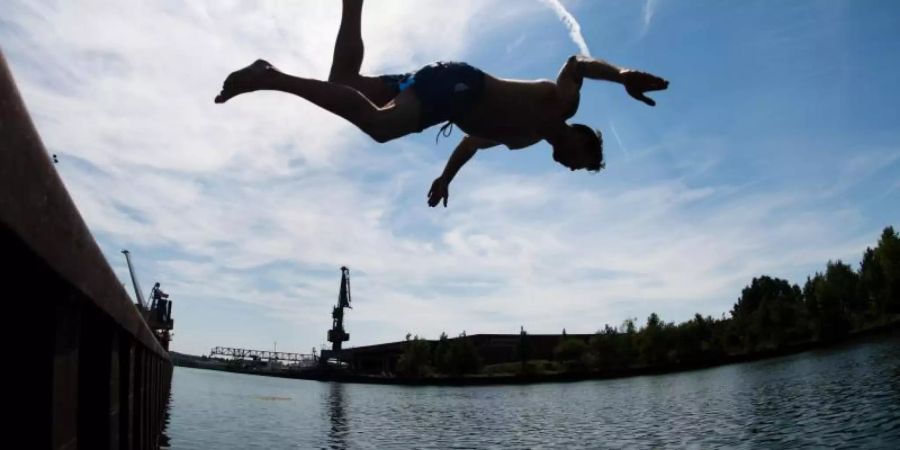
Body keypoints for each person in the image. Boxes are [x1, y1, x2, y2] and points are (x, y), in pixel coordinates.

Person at [214, 0, 669, 207]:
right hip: (457, 85)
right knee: (380, 127)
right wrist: (623, 75)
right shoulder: (563, 107)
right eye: (581, 164)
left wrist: (444, 178)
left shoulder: (526, 140)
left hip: (443, 93)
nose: (571, 169)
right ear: (583, 142)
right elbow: (576, 62)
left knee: (343, 83)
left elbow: (470, 144)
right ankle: (269, 77)